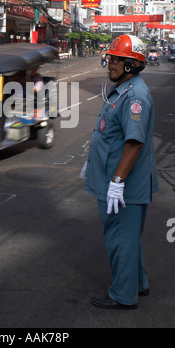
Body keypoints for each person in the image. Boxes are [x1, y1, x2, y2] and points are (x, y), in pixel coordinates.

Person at [82, 35, 158, 310]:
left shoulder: (135, 96)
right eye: (110, 58)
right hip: (115, 179)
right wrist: (92, 162)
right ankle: (138, 284)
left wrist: (116, 182)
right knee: (127, 238)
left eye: (114, 60)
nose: (109, 64)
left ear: (130, 64)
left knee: (120, 241)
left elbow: (134, 142)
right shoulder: (124, 90)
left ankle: (123, 295)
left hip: (124, 187)